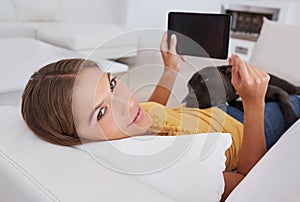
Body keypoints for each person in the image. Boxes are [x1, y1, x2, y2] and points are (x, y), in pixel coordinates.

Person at [21, 32, 299, 201]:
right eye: (101, 111)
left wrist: (169, 70)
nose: (127, 102)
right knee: (293, 101)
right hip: (247, 128)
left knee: (212, 78)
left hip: (205, 115)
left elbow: (152, 111)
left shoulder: (124, 129)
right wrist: (254, 104)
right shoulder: (174, 168)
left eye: (113, 83)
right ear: (76, 139)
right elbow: (249, 181)